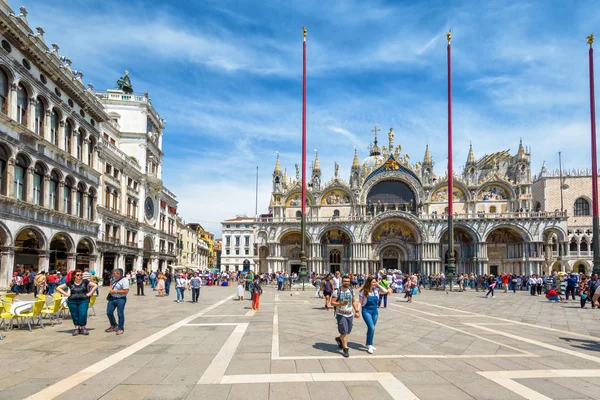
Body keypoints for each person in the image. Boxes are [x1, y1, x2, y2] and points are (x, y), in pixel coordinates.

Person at [56, 268, 98, 336]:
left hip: (83, 300)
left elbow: (95, 285)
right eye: (78, 275)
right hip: (72, 301)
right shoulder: (70, 282)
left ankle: (83, 327)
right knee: (74, 315)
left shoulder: (85, 281)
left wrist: (90, 293)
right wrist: (66, 294)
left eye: (81, 275)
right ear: (74, 276)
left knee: (83, 314)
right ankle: (77, 328)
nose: (79, 276)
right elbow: (58, 288)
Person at [331, 275, 360, 358]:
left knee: (348, 331)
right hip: (341, 314)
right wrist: (340, 303)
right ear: (341, 282)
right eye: (345, 281)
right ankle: (345, 348)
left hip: (349, 314)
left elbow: (354, 301)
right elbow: (332, 303)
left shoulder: (351, 290)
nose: (346, 283)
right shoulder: (337, 292)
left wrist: (357, 311)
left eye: (348, 281)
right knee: (345, 332)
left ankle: (339, 339)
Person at [360, 277, 389, 354]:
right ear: (369, 283)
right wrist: (356, 310)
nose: (374, 284)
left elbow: (386, 291)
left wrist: (379, 285)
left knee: (371, 328)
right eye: (373, 282)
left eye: (375, 282)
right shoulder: (363, 291)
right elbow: (360, 302)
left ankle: (367, 343)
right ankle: (370, 345)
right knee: (371, 327)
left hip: (375, 311)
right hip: (366, 311)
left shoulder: (376, 290)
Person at [105, 268, 129, 335]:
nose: (113, 274)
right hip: (112, 298)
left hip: (121, 299)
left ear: (118, 274)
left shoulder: (124, 280)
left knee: (120, 314)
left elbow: (126, 291)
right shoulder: (114, 279)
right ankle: (114, 324)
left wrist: (115, 291)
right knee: (109, 312)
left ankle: (121, 328)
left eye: (114, 273)